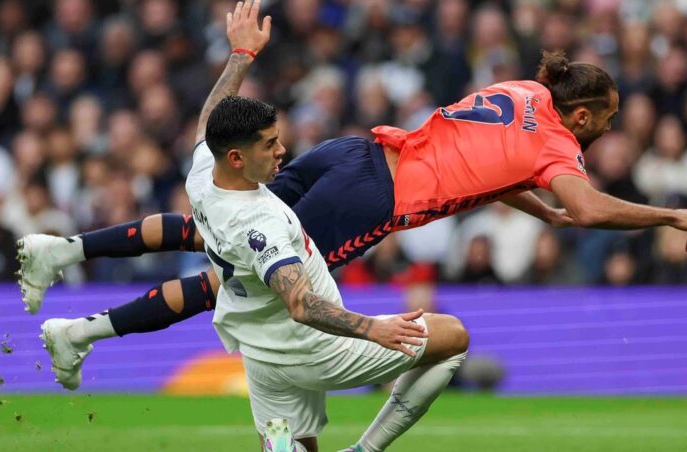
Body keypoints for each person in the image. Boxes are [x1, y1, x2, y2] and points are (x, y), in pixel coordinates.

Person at [20, 6, 687, 389]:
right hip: (372, 200)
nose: (609, 129)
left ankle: (63, 251)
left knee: (217, 227)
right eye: (607, 119)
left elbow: (493, 167)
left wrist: (539, 205)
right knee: (234, 279)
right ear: (581, 117)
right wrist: (668, 213)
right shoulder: (559, 147)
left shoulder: (523, 94)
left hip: (356, 152)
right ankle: (81, 332)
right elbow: (586, 209)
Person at [40, 4, 469, 452]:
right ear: (238, 158)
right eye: (270, 144)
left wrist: (241, 54)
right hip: (312, 349)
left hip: (262, 353)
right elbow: (302, 304)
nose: (282, 150)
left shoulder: (205, 172)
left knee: (292, 444)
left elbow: (210, 117)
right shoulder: (256, 223)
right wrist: (373, 329)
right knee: (453, 337)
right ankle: (365, 449)